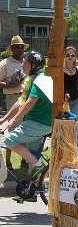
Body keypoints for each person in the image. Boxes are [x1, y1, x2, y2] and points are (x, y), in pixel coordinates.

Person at [0, 51, 52, 176]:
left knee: (7, 141)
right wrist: (4, 119)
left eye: (25, 63)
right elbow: (20, 101)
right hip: (36, 123)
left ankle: (37, 165)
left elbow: (29, 102)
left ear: (33, 65)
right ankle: (32, 187)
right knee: (32, 153)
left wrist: (13, 120)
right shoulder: (33, 78)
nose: (22, 65)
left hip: (38, 123)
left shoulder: (39, 80)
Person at [0, 36, 27, 168]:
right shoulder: (4, 63)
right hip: (12, 98)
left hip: (26, 98)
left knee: (26, 128)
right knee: (11, 129)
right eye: (17, 46)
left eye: (21, 46)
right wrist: (10, 84)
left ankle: (24, 160)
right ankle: (9, 161)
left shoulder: (27, 62)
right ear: (11, 48)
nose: (20, 48)